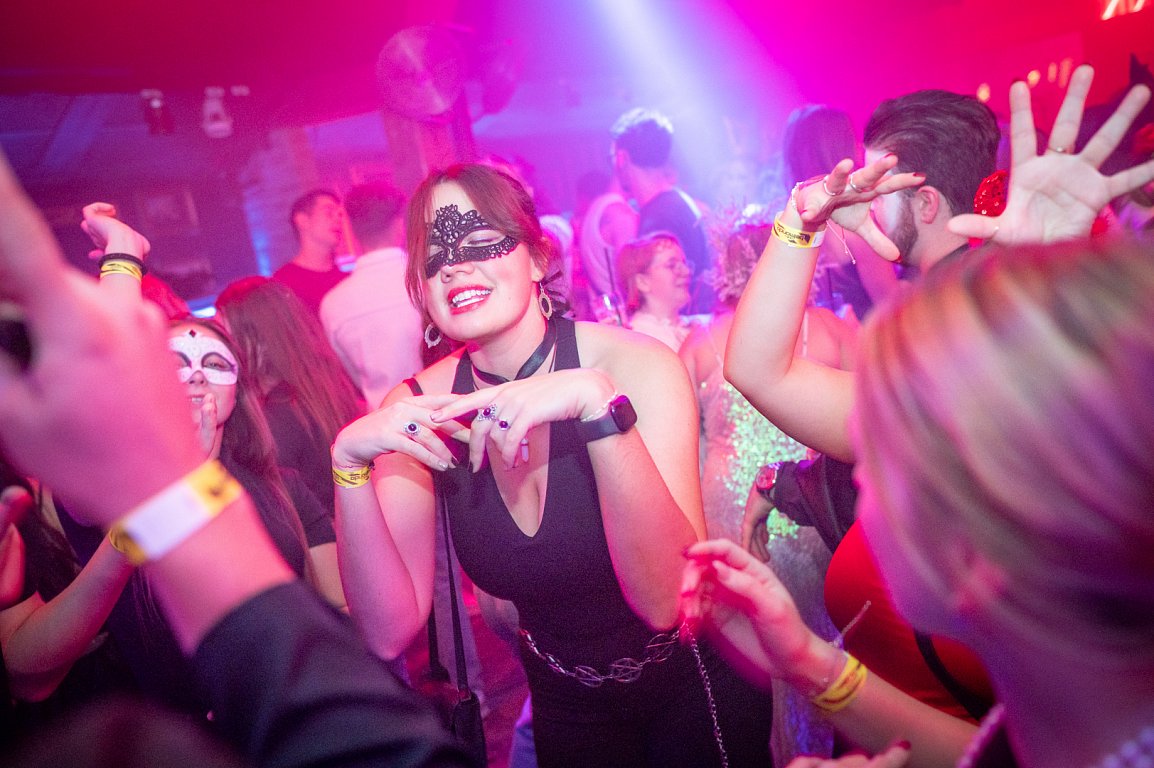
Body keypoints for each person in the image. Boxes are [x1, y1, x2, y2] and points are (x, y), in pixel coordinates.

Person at [688, 64, 1154, 767]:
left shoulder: (969, 370)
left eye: (886, 465)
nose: (863, 478)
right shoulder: (954, 341)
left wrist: (1060, 277)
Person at [0, 149, 471, 767]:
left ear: (238, 394)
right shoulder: (97, 498)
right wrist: (121, 263)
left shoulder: (283, 485)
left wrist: (351, 475)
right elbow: (28, 666)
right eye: (176, 361)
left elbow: (365, 622)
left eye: (215, 363)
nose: (196, 375)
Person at [330, 163, 772, 767]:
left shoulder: (633, 366)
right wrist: (347, 468)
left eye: (480, 242)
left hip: (694, 686)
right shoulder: (419, 410)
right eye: (434, 257)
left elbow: (666, 600)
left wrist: (598, 411)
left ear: (538, 259)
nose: (454, 266)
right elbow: (387, 631)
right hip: (565, 704)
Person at [680, 218, 854, 764]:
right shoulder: (831, 329)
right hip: (808, 504)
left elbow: (687, 448)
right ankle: (822, 742)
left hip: (732, 507)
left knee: (748, 648)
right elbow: (863, 431)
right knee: (820, 635)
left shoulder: (702, 341)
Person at [320, 182, 425, 409]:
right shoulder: (427, 278)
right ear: (399, 224)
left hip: (382, 420)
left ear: (352, 228)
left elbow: (351, 377)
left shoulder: (333, 304)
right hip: (443, 415)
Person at [612, 108, 715, 313]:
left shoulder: (658, 218)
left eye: (612, 157)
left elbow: (663, 298)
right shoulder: (676, 201)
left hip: (682, 326)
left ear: (622, 158)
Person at [614, 233, 700, 351]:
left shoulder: (696, 327)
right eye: (672, 265)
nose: (686, 272)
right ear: (642, 282)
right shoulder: (638, 340)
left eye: (684, 263)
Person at [272, 189, 348, 318]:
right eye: (329, 212)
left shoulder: (347, 280)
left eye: (340, 215)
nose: (338, 219)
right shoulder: (282, 284)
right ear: (302, 221)